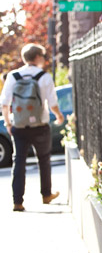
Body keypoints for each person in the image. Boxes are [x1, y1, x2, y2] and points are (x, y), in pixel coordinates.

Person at [2, 44, 65, 212]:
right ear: (37, 57)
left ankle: (18, 202)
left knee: (19, 161)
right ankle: (46, 195)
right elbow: (52, 103)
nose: (44, 59)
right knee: (44, 159)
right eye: (43, 56)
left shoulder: (13, 76)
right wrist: (59, 116)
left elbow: (5, 104)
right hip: (40, 125)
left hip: (19, 126)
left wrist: (9, 123)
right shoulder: (44, 77)